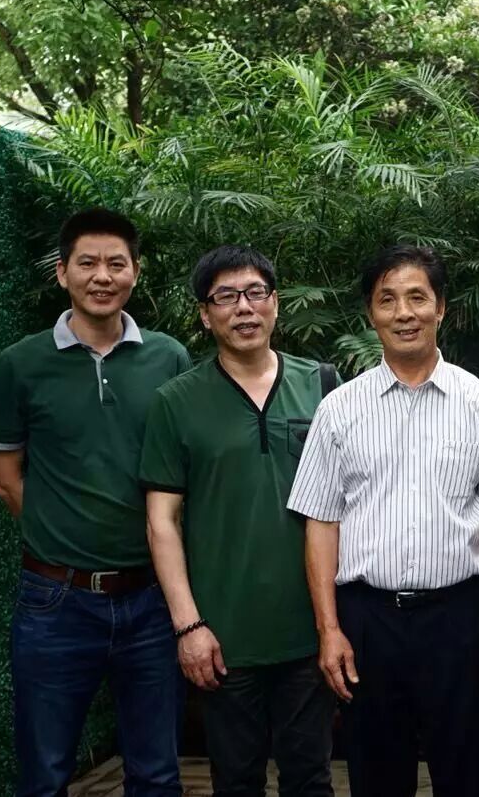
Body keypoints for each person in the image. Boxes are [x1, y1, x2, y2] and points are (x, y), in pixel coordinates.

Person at [286, 245, 479, 797]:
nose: (404, 313)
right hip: (367, 621)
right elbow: (321, 523)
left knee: (468, 775)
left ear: (441, 307)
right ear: (371, 313)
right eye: (388, 300)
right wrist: (329, 630)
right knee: (376, 774)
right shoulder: (339, 409)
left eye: (417, 297)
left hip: (459, 619)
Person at [0, 207, 191, 797]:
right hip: (55, 602)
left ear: (135, 272)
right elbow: (4, 478)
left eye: (116, 264)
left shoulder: (169, 358)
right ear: (63, 272)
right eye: (88, 263)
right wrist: (63, 535)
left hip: (151, 599)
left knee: (157, 773)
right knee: (45, 774)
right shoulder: (21, 364)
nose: (103, 276)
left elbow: (182, 474)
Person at [140, 245, 337, 797]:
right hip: (222, 637)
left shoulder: (324, 386)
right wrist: (189, 627)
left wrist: (338, 624)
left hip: (311, 630)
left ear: (276, 303)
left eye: (255, 293)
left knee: (311, 779)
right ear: (205, 315)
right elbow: (161, 522)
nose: (243, 308)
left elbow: (353, 503)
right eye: (225, 297)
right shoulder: (176, 402)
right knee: (235, 781)